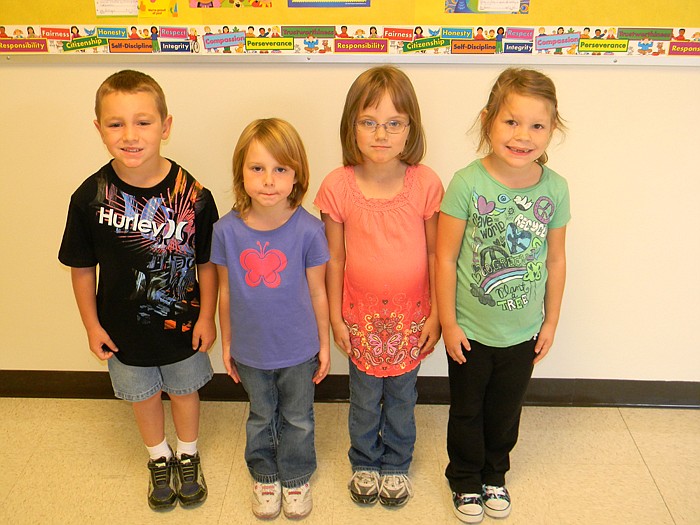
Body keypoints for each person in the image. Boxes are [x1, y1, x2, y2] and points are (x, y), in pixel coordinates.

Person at [58, 70, 218, 510]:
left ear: (166, 127)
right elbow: (80, 268)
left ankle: (188, 453)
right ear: (99, 129)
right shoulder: (89, 197)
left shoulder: (195, 195)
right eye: (116, 124)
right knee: (142, 396)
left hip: (182, 325)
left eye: (143, 122)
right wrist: (91, 325)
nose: (130, 135)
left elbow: (207, 262)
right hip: (121, 331)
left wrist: (208, 317)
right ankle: (159, 457)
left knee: (185, 391)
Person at [436, 68, 570, 523]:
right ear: (488, 119)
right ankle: (465, 478)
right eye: (511, 121)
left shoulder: (555, 190)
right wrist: (448, 323)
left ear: (553, 130)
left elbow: (555, 260)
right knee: (468, 410)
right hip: (471, 331)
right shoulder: (466, 183)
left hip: (523, 331)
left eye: (538, 125)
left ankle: (496, 473)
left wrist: (550, 321)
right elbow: (444, 258)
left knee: (506, 411)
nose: (523, 135)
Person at [315, 66, 444, 508]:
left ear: (411, 128)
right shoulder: (337, 186)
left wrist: (437, 313)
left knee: (403, 398)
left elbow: (435, 255)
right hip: (360, 319)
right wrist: (335, 317)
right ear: (352, 125)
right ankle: (365, 460)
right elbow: (333, 259)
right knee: (365, 400)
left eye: (394, 123)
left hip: (411, 318)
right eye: (369, 122)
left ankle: (397, 463)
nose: (381, 134)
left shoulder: (426, 183)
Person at [211, 118, 330, 520]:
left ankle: (295, 477)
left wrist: (325, 345)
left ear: (297, 175)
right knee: (261, 415)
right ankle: (264, 473)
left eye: (280, 169)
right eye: (257, 168)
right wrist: (227, 344)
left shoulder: (311, 230)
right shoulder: (225, 231)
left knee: (298, 417)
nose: (268, 180)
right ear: (240, 174)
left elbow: (318, 291)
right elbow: (226, 292)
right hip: (250, 349)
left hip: (299, 349)